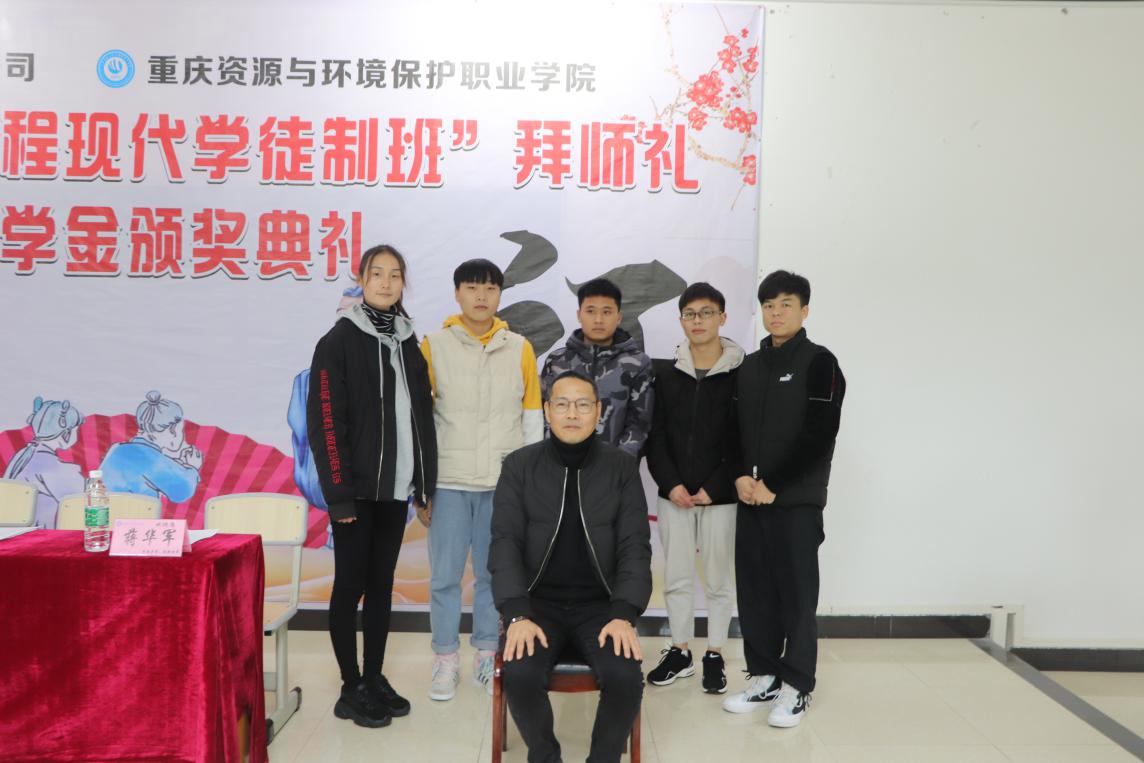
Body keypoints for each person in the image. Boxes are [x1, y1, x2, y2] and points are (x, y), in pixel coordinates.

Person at [490, 370, 651, 763]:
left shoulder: (621, 468)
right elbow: (504, 543)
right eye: (562, 404)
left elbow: (634, 547)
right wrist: (516, 613)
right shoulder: (519, 466)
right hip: (537, 605)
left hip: (601, 607)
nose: (572, 414)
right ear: (547, 411)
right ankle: (546, 756)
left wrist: (624, 613)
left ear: (598, 411)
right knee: (520, 673)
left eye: (582, 405)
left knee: (625, 675)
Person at [307, 244, 437, 728]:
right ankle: (350, 685)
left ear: (404, 284)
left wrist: (424, 485)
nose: (386, 282)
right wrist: (339, 494)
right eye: (376, 273)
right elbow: (326, 422)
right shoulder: (338, 341)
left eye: (395, 275)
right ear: (361, 280)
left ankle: (374, 676)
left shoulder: (407, 342)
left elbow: (422, 418)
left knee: (382, 585)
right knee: (350, 586)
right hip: (356, 491)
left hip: (394, 489)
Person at [723, 270, 845, 728]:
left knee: (796, 596)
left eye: (786, 304)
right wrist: (739, 476)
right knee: (755, 593)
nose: (776, 313)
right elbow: (731, 432)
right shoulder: (749, 366)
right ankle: (764, 676)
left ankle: (797, 685)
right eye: (769, 305)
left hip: (795, 502)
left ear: (804, 310)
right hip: (751, 500)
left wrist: (774, 483)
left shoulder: (821, 363)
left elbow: (821, 433)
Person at [419, 258, 543, 700]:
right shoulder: (433, 346)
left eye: (490, 288)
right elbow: (421, 421)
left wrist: (528, 484)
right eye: (472, 287)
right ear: (457, 293)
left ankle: (489, 655)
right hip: (449, 482)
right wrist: (422, 487)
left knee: (496, 577)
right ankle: (445, 659)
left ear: (500, 295)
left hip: (501, 484)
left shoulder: (520, 348)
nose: (481, 296)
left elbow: (532, 418)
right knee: (445, 577)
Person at [644, 283, 745, 694]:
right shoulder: (666, 374)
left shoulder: (744, 374)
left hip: (721, 497)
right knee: (677, 578)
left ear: (723, 317)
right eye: (690, 314)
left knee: (719, 580)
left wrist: (715, 487)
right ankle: (680, 651)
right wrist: (671, 485)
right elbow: (655, 437)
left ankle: (715, 653)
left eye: (706, 313)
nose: (697, 321)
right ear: (681, 320)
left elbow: (745, 440)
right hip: (675, 496)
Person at [540, 278, 653, 457]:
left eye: (606, 312)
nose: (598, 320)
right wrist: (554, 458)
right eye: (590, 311)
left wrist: (618, 464)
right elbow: (544, 416)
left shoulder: (638, 364)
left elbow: (639, 424)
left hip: (614, 467)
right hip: (560, 464)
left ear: (618, 317)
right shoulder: (556, 361)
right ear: (579, 315)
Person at [100, 391, 202, 503]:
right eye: (181, 430)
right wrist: (192, 467)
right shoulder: (148, 457)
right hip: (133, 512)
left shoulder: (118, 448)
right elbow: (181, 492)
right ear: (173, 430)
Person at [3, 397, 86, 529]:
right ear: (66, 433)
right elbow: (80, 497)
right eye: (75, 430)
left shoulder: (24, 454)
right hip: (40, 534)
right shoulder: (48, 464)